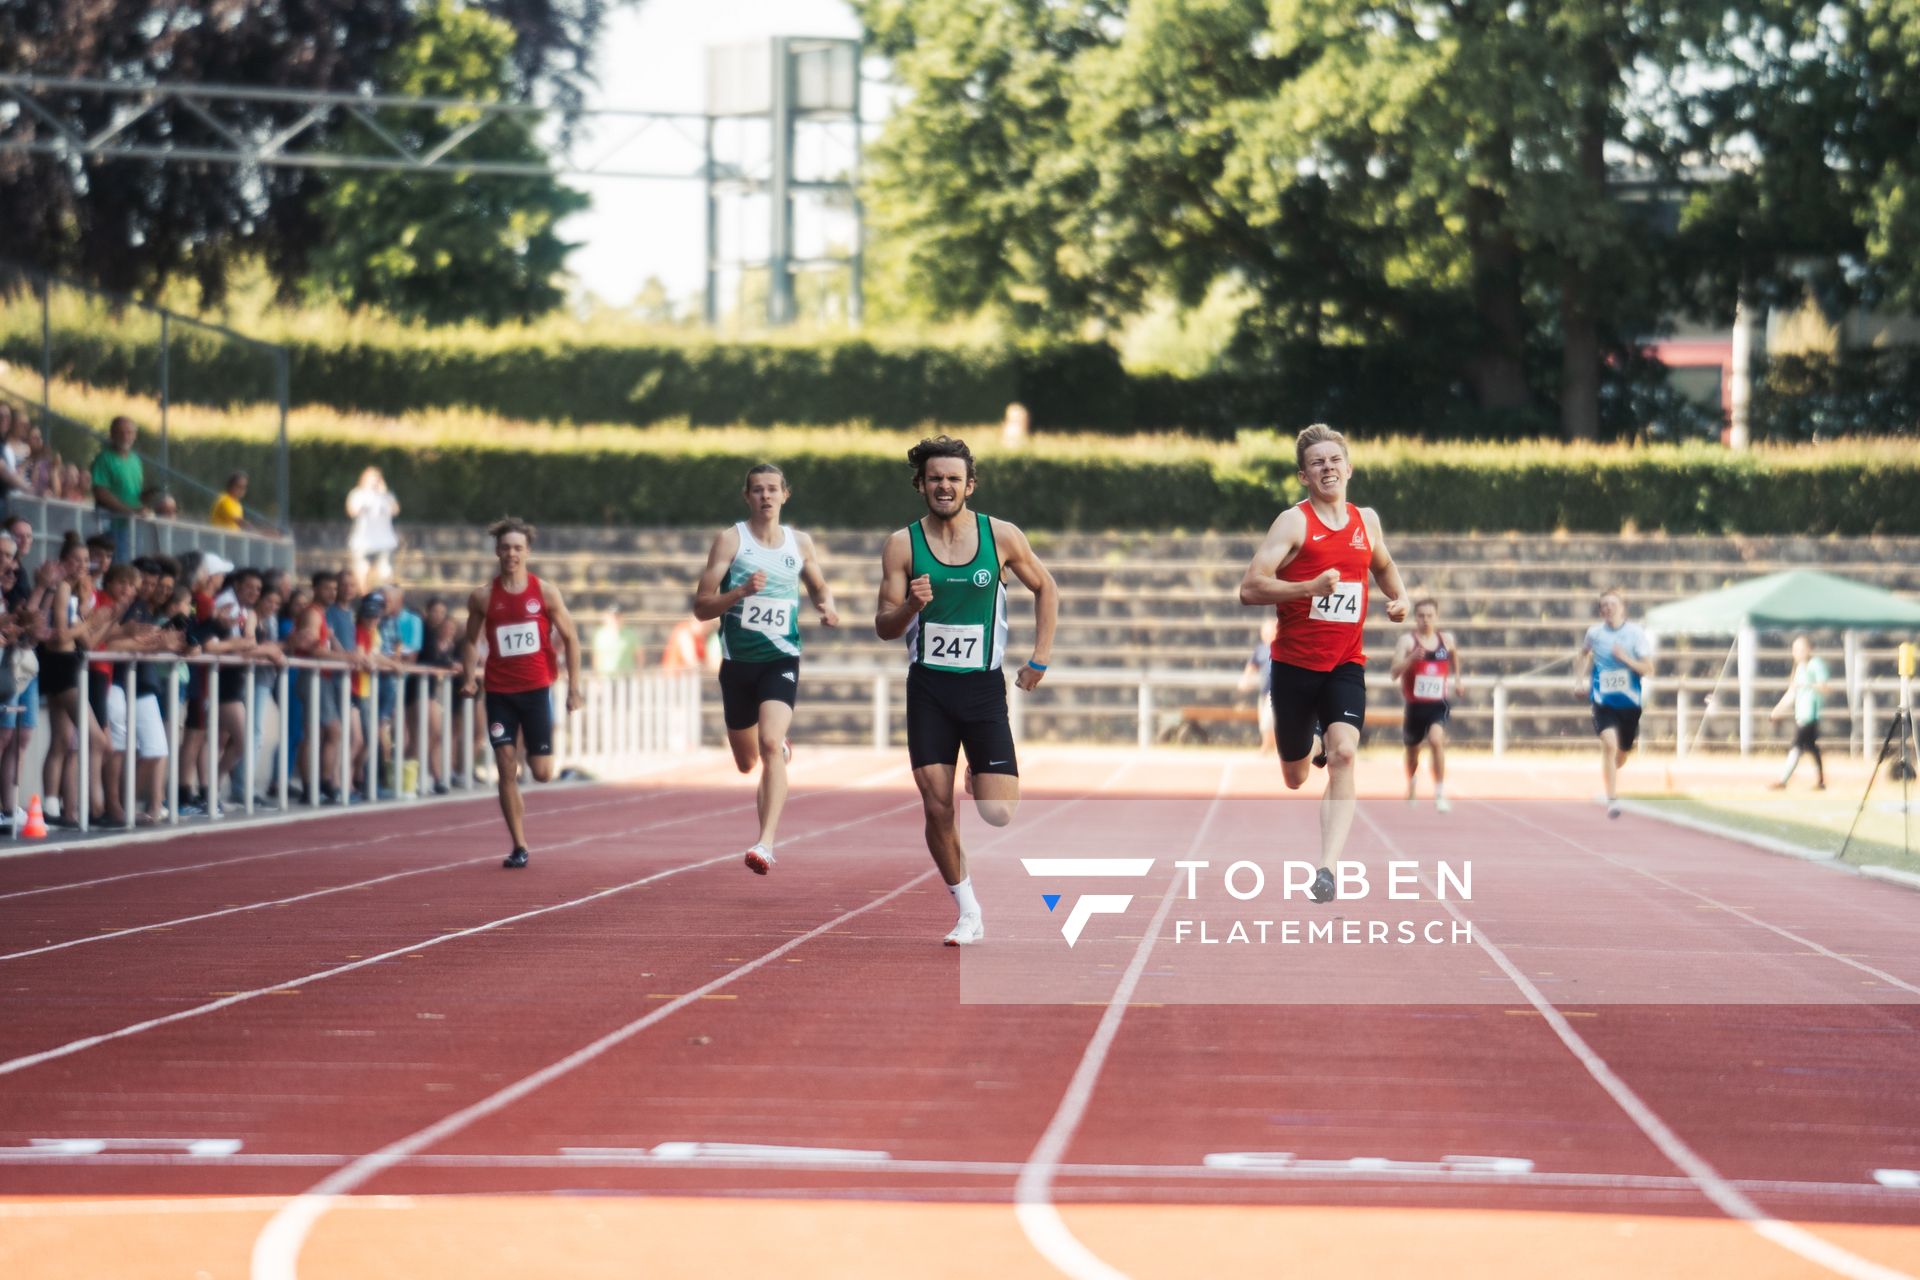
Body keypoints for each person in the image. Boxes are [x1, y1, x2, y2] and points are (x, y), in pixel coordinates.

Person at [875, 435, 1058, 946]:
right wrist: (911, 607)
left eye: (954, 478)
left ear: (969, 485)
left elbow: (1046, 587)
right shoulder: (901, 545)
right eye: (935, 478)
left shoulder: (999, 537)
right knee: (936, 805)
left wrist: (1039, 657)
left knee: (998, 813)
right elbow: (884, 625)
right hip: (929, 688)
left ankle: (980, 770)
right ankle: (968, 909)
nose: (944, 486)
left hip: (981, 688)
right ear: (921, 484)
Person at [1238, 424, 1410, 904]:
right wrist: (1306, 589)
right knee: (1295, 777)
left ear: (1349, 468)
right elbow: (1250, 588)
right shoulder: (1293, 524)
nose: (1328, 467)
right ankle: (1307, 741)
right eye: (1317, 462)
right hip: (1293, 668)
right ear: (1303, 476)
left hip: (1345, 664)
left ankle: (1328, 869)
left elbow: (1385, 567)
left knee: (1346, 755)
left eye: (1335, 460)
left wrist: (1401, 599)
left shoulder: (1366, 521)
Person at [693, 463, 841, 875]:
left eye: (773, 489)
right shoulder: (730, 541)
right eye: (757, 490)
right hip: (738, 664)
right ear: (747, 497)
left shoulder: (800, 543)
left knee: (770, 744)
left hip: (781, 659)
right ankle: (772, 752)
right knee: (746, 761)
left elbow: (818, 585)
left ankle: (766, 843)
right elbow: (701, 606)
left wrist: (826, 605)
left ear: (785, 495)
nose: (766, 496)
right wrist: (739, 592)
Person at [459, 517, 584, 869]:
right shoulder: (483, 596)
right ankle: (519, 844)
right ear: (497, 551)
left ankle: (526, 798)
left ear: (527, 551)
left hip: (536, 691)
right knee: (505, 766)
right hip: (499, 692)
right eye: (505, 548)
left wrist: (574, 689)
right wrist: (470, 677)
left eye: (517, 548)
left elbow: (572, 639)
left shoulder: (544, 592)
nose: (511, 553)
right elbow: (470, 641)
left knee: (542, 772)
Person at [1576, 588, 1655, 819]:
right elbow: (1582, 655)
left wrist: (1625, 659)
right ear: (1600, 611)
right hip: (1602, 700)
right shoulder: (1594, 633)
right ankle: (1612, 800)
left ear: (1622, 608)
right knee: (1609, 745)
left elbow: (1648, 669)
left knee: (1622, 752)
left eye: (1612, 604)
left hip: (1630, 703)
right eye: (1604, 605)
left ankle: (1617, 761)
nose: (1608, 608)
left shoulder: (1635, 634)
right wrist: (1579, 681)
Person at [1390, 597, 1460, 812]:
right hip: (1415, 706)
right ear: (1415, 618)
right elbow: (1394, 673)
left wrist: (1457, 679)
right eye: (1421, 616)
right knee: (1412, 751)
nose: (1425, 620)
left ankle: (1439, 792)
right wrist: (1410, 659)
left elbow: (1455, 656)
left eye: (1430, 616)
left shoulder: (1445, 639)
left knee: (1436, 739)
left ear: (1436, 617)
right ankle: (1412, 784)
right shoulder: (1408, 642)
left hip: (1438, 703)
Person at [1770, 634, 1829, 791]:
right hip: (1801, 714)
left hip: (1810, 715)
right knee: (1811, 747)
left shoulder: (1815, 664)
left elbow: (1825, 687)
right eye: (1794, 649)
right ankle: (1820, 781)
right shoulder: (1799, 668)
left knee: (1796, 746)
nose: (1796, 652)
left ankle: (1783, 780)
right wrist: (1778, 710)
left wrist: (1809, 685)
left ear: (1809, 649)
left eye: (1800, 649)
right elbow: (1792, 692)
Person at [90, 416, 149, 560]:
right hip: (111, 524)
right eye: (121, 432)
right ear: (112, 434)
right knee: (116, 566)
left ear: (135, 435)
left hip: (133, 525)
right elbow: (100, 492)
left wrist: (147, 504)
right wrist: (128, 511)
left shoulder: (136, 460)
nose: (125, 436)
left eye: (129, 432)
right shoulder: (104, 458)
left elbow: (136, 492)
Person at [346, 466, 401, 586]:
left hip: (385, 541)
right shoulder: (357, 494)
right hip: (362, 540)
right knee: (362, 570)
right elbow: (351, 512)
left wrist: (384, 494)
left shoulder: (387, 495)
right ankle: (364, 597)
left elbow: (396, 511)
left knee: (385, 572)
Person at [1237, 615, 1279, 755]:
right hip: (1264, 690)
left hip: (1278, 690)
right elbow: (1252, 665)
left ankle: (1266, 747)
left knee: (1268, 719)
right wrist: (1245, 679)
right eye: (1264, 632)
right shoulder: (1260, 649)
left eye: (1269, 631)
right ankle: (1272, 747)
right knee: (1264, 719)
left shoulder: (1283, 647)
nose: (1266, 634)